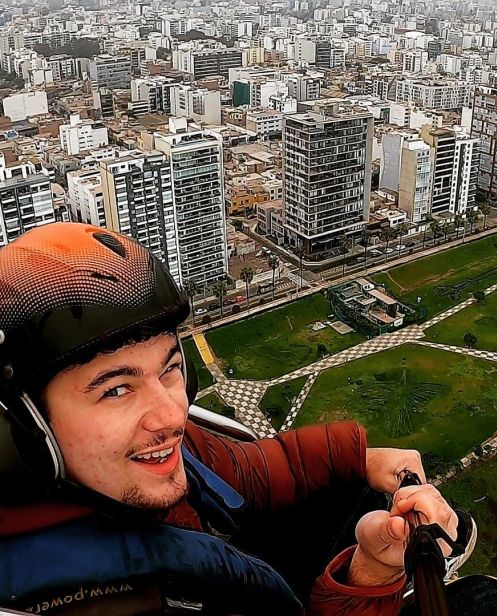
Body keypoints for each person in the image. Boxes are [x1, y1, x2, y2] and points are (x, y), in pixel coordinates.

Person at [0, 223, 463, 615]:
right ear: (22, 428)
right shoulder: (81, 601)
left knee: (353, 492)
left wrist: (362, 457)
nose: (170, 413)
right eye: (116, 389)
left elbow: (242, 471)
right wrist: (369, 578)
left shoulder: (143, 455)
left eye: (171, 369)